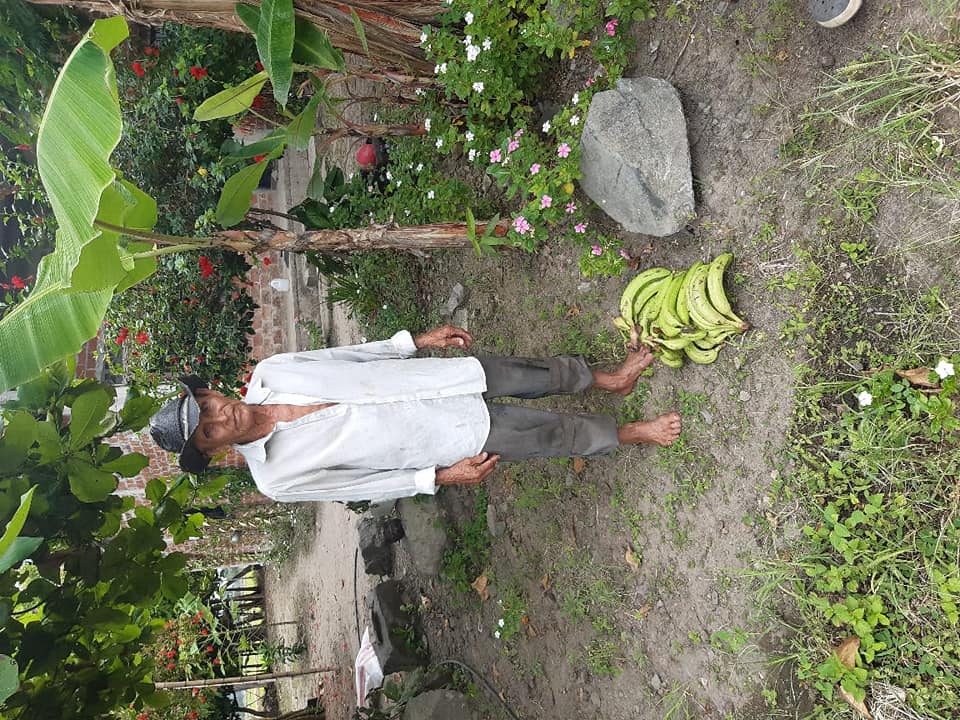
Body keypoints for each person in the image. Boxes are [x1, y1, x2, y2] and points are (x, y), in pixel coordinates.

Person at [149, 325, 682, 503]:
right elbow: (363, 486)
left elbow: (347, 356)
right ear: (211, 450)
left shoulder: (273, 370)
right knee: (545, 435)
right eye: (209, 430)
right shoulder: (275, 478)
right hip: (435, 435)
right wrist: (439, 476)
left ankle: (610, 380)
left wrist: (415, 342)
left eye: (208, 406)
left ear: (210, 393)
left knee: (531, 373)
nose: (220, 416)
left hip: (430, 382)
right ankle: (633, 432)